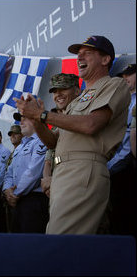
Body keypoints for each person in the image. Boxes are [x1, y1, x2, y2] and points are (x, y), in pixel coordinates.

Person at [15, 35, 131, 234]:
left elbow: (91, 125)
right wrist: (37, 120)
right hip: (63, 174)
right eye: (79, 54)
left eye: (88, 53)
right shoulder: (78, 101)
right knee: (71, 244)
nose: (80, 58)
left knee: (61, 242)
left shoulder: (113, 85)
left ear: (105, 59)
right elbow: (53, 142)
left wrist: (42, 114)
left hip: (83, 170)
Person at [106, 63, 136, 237]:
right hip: (114, 166)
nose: (125, 79)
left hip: (127, 165)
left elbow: (129, 139)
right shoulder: (122, 102)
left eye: (130, 75)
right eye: (123, 76)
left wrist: (112, 165)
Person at [3, 116, 48, 233]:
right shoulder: (20, 147)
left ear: (37, 120)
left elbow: (34, 173)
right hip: (18, 201)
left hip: (33, 201)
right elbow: (9, 173)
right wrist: (7, 190)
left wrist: (14, 194)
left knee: (31, 245)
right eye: (20, 119)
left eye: (26, 118)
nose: (21, 122)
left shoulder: (42, 140)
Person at [40, 73, 81, 198]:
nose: (58, 95)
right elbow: (49, 156)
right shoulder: (59, 126)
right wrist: (47, 180)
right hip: (56, 186)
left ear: (77, 91)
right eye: (55, 91)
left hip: (76, 185)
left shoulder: (83, 117)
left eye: (63, 89)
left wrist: (55, 181)